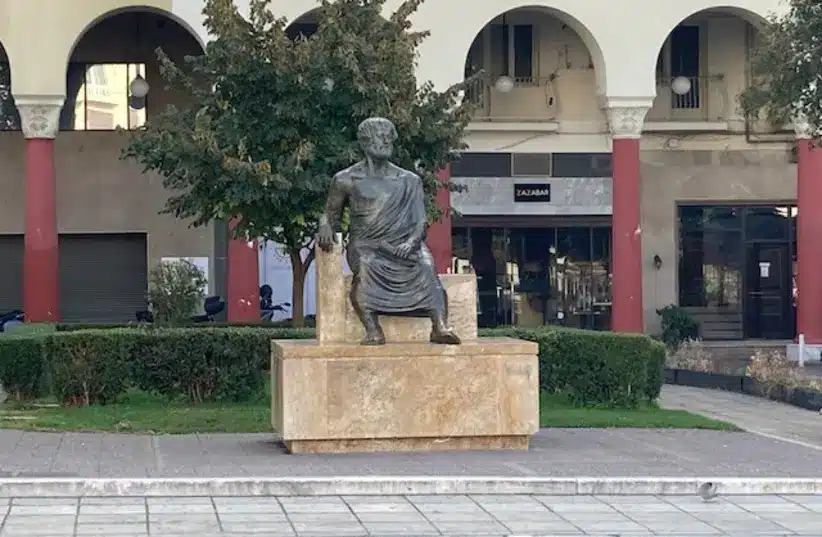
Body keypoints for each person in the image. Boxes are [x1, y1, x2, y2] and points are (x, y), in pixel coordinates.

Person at [317, 117, 460, 345]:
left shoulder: (409, 180)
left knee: (425, 266)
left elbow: (420, 221)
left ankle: (439, 326)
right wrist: (324, 226)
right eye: (378, 137)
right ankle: (373, 329)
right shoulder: (345, 179)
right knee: (365, 267)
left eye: (388, 138)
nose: (385, 142)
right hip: (367, 245)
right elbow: (330, 214)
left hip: (406, 244)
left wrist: (410, 243)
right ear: (364, 143)